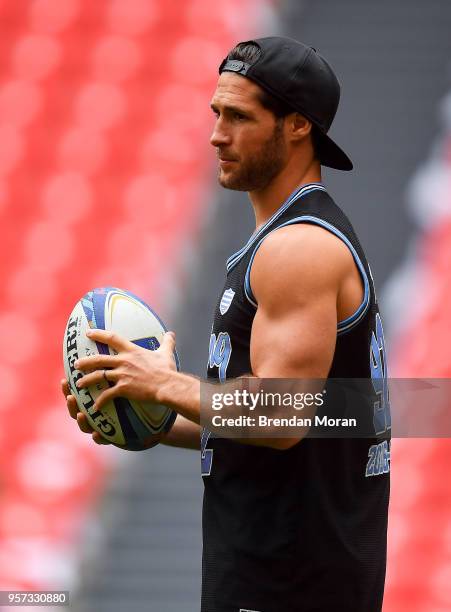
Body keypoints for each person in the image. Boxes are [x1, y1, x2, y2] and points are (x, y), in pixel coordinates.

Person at [62, 37, 390, 612]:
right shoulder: (282, 243)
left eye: (239, 116)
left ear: (297, 126)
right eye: (217, 113)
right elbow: (300, 423)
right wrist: (150, 413)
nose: (217, 134)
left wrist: (167, 385)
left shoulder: (299, 250)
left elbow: (282, 414)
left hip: (290, 587)